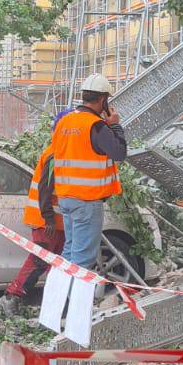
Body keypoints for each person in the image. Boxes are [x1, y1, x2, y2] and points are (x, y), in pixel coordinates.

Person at [51, 74, 128, 271]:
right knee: (83, 261)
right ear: (103, 100)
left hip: (66, 197)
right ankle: (75, 302)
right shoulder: (95, 125)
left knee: (69, 253)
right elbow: (119, 152)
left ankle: (61, 300)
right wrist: (116, 125)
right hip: (86, 200)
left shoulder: (64, 122)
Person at [0, 138, 65, 318]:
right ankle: (11, 297)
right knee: (39, 261)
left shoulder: (61, 151)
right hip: (47, 222)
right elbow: (45, 188)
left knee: (56, 263)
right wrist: (49, 218)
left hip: (57, 222)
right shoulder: (55, 154)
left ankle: (54, 304)